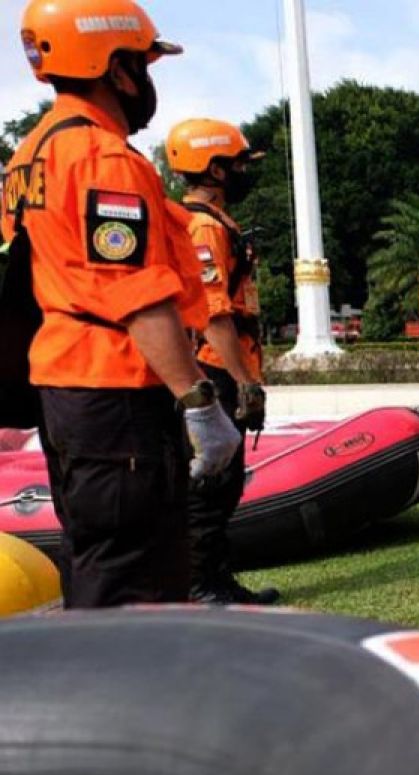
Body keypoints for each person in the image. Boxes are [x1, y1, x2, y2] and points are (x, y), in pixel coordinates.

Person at [1, 0, 241, 607]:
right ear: (116, 69)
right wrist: (198, 403)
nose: (147, 80)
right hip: (116, 392)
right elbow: (136, 294)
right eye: (142, 63)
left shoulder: (30, 156)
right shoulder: (104, 159)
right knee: (135, 575)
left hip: (65, 389)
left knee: (98, 560)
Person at [166, 118, 279, 604]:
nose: (244, 173)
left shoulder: (212, 223)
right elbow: (213, 314)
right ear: (214, 169)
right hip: (214, 369)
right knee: (211, 486)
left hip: (223, 366)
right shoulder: (204, 228)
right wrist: (244, 382)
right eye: (238, 165)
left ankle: (218, 580)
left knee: (225, 484)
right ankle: (200, 587)